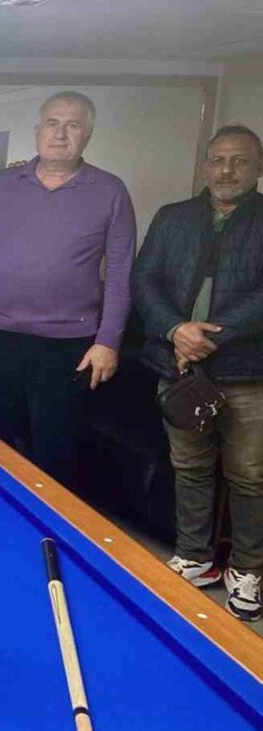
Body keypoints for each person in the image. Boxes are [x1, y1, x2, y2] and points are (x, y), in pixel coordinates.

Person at [0, 91, 136, 484]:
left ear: (88, 135)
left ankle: (48, 520)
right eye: (52, 123)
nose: (60, 134)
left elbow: (121, 272)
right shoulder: (2, 185)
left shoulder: (111, 191)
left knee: (55, 449)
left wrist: (108, 342)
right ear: (38, 130)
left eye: (73, 125)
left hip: (68, 345)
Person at [132, 124, 263, 622]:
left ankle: (248, 569)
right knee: (188, 466)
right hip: (179, 366)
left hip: (248, 371)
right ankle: (195, 557)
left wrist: (209, 336)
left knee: (250, 476)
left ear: (258, 167)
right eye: (218, 160)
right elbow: (144, 278)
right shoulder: (173, 217)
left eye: (240, 161)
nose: (227, 170)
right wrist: (175, 330)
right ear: (205, 165)